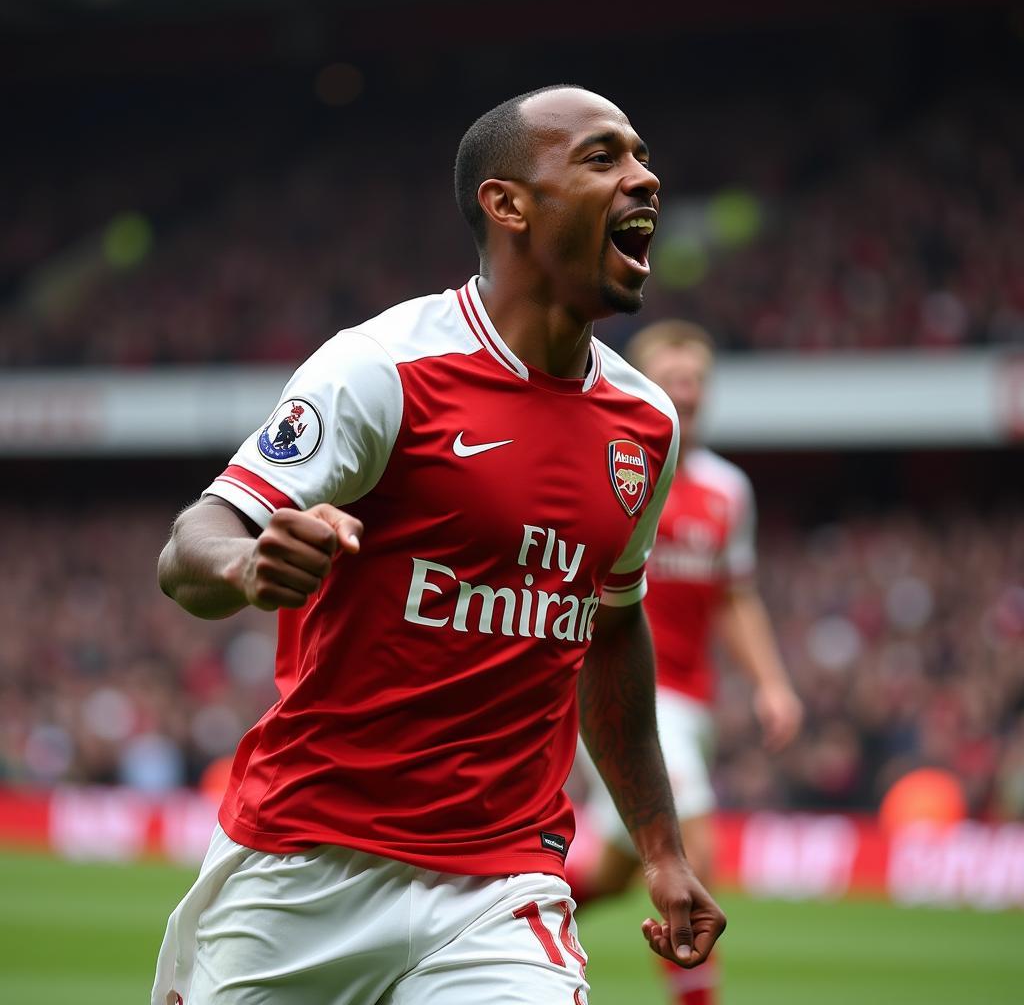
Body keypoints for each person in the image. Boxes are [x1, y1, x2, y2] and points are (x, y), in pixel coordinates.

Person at [151, 86, 725, 1005]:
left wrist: (660, 849)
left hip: (502, 888)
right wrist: (248, 564)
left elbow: (610, 629)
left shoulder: (644, 425)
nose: (643, 177)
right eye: (602, 157)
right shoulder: (384, 369)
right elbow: (193, 545)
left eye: (642, 156)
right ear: (508, 204)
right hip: (305, 865)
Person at [567, 320, 802, 1005]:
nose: (686, 392)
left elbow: (735, 597)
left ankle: (499, 922)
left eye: (696, 380)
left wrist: (772, 685)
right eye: (672, 379)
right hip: (622, 690)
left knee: (615, 872)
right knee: (690, 853)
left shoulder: (728, 490)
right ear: (642, 386)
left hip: (692, 702)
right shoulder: (609, 466)